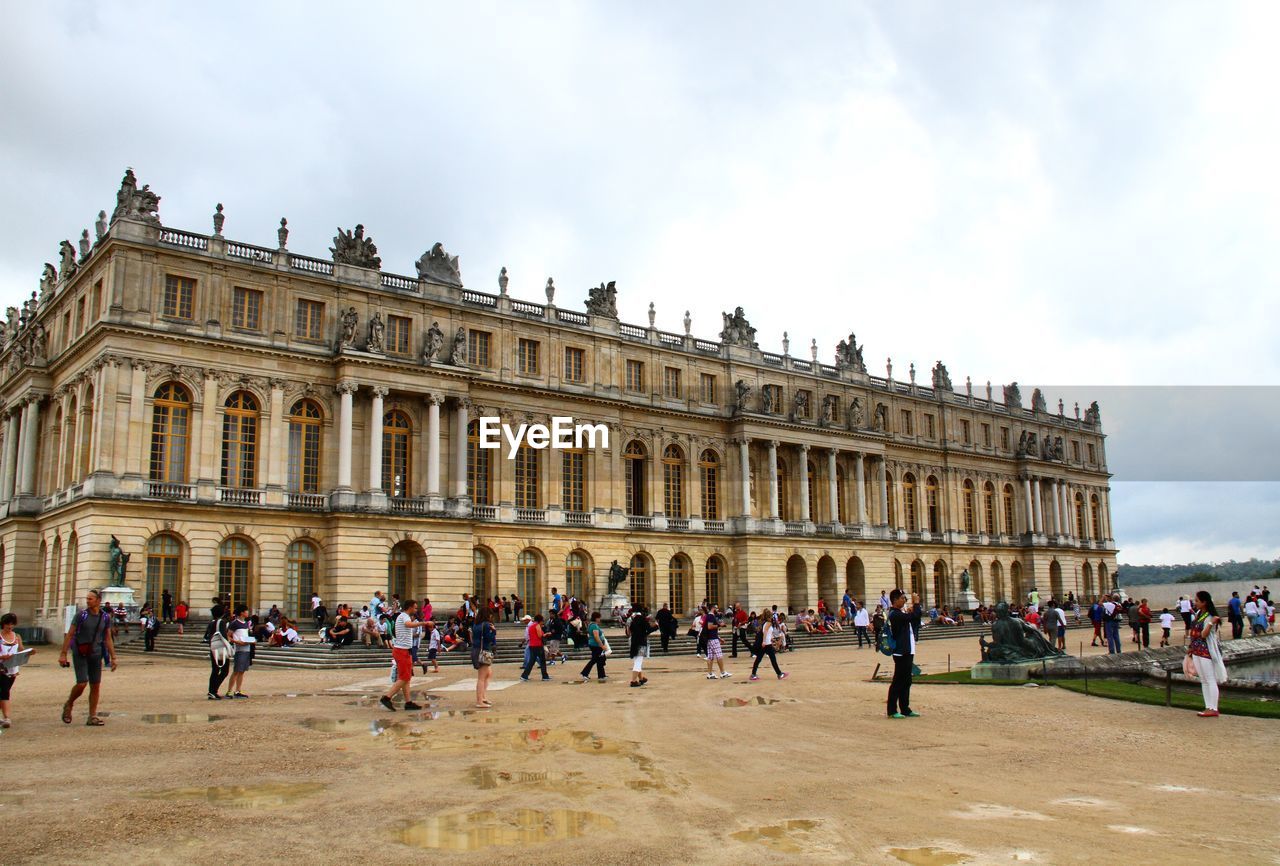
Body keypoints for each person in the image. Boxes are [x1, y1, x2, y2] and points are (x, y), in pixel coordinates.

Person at [58, 589, 117, 726]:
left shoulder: (105, 617)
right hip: (80, 652)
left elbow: (108, 637)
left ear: (98, 600)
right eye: (87, 598)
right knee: (82, 682)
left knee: (95, 685)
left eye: (90, 599)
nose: (87, 600)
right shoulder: (81, 615)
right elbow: (70, 634)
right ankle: (69, 703)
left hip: (96, 653)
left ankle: (92, 716)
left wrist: (113, 657)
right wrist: (63, 653)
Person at [379, 599, 427, 712]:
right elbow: (408, 624)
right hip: (402, 651)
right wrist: (423, 623)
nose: (416, 610)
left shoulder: (403, 616)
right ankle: (387, 697)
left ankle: (408, 702)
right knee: (404, 677)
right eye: (415, 608)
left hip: (404, 650)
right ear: (410, 607)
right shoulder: (404, 616)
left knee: (406, 677)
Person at [1186, 590, 1226, 717]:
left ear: (1204, 602)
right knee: (1204, 679)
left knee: (1209, 679)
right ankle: (1208, 706)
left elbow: (1204, 634)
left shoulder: (1209, 616)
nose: (1195, 603)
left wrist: (1210, 623)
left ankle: (1213, 708)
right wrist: (1191, 647)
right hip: (1197, 650)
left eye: (1197, 601)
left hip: (1206, 651)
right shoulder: (1199, 613)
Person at [886, 589, 922, 719]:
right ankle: (892, 710)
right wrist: (916, 604)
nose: (904, 600)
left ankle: (905, 708)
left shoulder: (899, 613)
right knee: (898, 681)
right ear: (895, 600)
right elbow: (915, 616)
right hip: (901, 652)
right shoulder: (895, 614)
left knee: (906, 681)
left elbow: (915, 621)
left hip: (907, 649)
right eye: (902, 598)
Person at [0, 612, 31, 728]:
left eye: (12, 624)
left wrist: (29, 653)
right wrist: (2, 657)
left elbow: (21, 651)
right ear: (3, 624)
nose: (10, 626)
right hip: (1, 667)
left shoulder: (17, 637)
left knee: (5, 690)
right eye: (8, 623)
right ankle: (7, 717)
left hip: (12, 668)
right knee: (4, 692)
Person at [224, 605, 255, 698]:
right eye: (246, 611)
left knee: (242, 671)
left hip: (246, 648)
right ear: (242, 612)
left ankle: (238, 690)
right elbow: (228, 636)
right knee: (237, 670)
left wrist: (251, 640)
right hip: (239, 648)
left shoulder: (245, 623)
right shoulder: (234, 623)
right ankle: (229, 691)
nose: (247, 613)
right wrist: (237, 641)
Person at [748, 612, 787, 681]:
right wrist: (764, 641)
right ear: (769, 617)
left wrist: (770, 639)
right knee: (772, 659)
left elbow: (766, 633)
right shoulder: (769, 623)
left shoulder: (765, 623)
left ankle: (753, 674)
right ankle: (779, 674)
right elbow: (765, 632)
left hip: (766, 643)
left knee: (759, 659)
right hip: (766, 644)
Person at [471, 609, 497, 708]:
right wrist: (494, 632)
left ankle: (482, 697)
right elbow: (489, 638)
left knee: (488, 674)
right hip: (483, 651)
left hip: (476, 650)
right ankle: (479, 701)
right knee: (481, 677)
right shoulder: (486, 625)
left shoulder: (476, 624)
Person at [205, 605, 232, 700]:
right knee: (224, 671)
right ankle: (213, 691)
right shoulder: (221, 622)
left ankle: (212, 691)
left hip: (213, 648)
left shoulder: (212, 623)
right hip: (220, 649)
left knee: (215, 670)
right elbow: (223, 635)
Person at [627, 607, 654, 687]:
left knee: (636, 661)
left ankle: (641, 678)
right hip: (641, 642)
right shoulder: (643, 619)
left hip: (634, 642)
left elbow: (629, 631)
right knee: (638, 662)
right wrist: (656, 627)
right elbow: (648, 630)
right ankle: (633, 681)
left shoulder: (633, 620)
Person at [520, 614, 551, 682]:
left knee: (532, 661)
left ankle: (524, 675)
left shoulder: (531, 626)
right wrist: (546, 634)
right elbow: (540, 635)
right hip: (538, 645)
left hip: (532, 645)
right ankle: (545, 676)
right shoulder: (537, 625)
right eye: (542, 620)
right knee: (542, 661)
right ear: (540, 620)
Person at [703, 607, 731, 680]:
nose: (717, 610)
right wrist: (719, 625)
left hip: (710, 638)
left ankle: (710, 674)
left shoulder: (709, 616)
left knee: (710, 657)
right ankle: (723, 673)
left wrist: (719, 638)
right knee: (719, 655)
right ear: (712, 608)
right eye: (716, 608)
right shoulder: (711, 616)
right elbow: (710, 627)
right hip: (713, 639)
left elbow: (710, 630)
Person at [580, 612, 608, 682]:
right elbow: (596, 636)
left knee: (599, 660)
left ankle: (601, 675)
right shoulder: (594, 626)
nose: (600, 619)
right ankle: (585, 673)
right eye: (599, 618)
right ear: (596, 618)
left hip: (594, 644)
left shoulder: (591, 625)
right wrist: (602, 646)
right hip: (596, 645)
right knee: (595, 660)